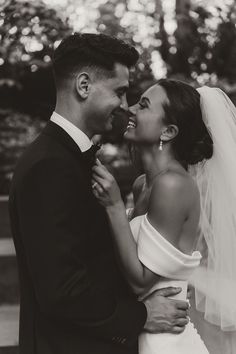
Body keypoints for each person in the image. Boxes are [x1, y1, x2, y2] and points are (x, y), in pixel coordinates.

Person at [8, 35, 189, 354]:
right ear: (83, 85)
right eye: (119, 92)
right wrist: (143, 315)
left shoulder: (69, 157)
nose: (124, 105)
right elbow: (62, 290)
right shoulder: (49, 165)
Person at [92, 79, 219, 353]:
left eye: (144, 105)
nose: (131, 109)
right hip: (141, 331)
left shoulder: (173, 185)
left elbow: (140, 280)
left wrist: (114, 205)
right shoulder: (142, 184)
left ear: (169, 131)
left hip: (166, 341)